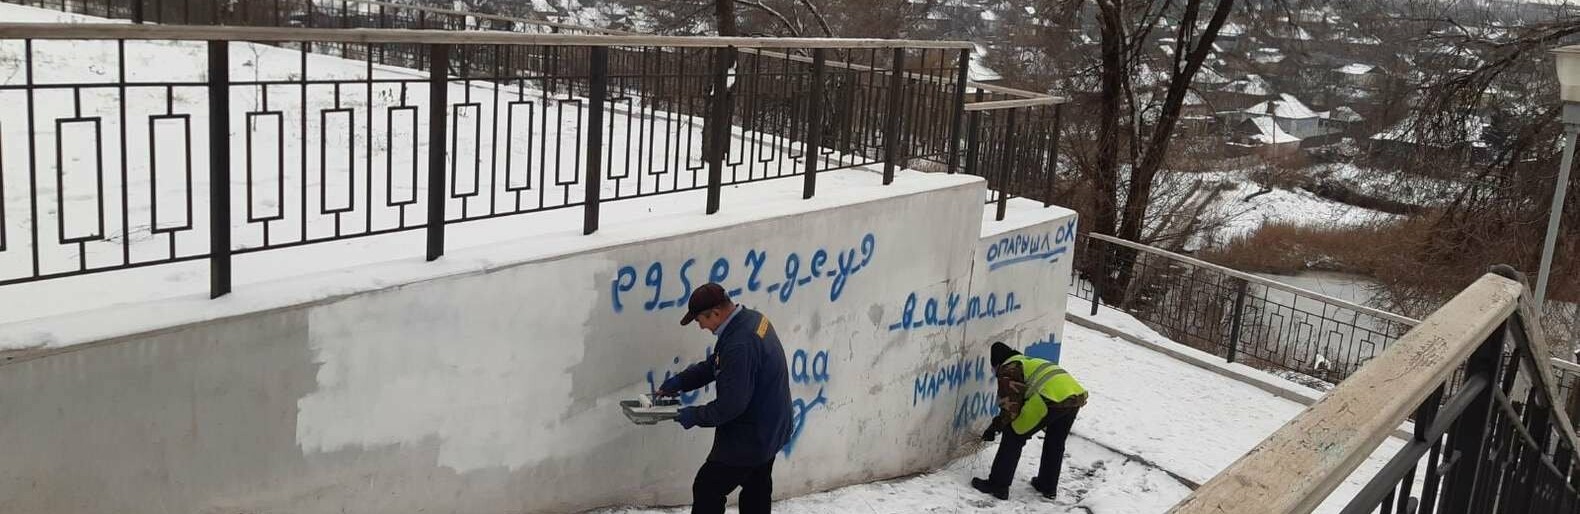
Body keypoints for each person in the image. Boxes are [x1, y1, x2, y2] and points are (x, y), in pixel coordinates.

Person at [655, 283, 793, 514]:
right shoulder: (750, 320)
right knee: (756, 486)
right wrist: (680, 382)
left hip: (752, 436)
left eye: (700, 320)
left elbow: (730, 406)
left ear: (716, 313)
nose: (700, 327)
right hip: (772, 426)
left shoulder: (740, 343)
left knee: (708, 487)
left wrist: (691, 415)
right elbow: (717, 364)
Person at [972, 341, 1088, 501]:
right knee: (1055, 442)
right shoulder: (1027, 362)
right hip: (1075, 396)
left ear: (997, 363)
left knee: (1013, 435)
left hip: (1050, 398)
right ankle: (1047, 486)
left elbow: (1011, 410)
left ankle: (998, 486)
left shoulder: (1008, 369)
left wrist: (995, 427)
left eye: (993, 367)